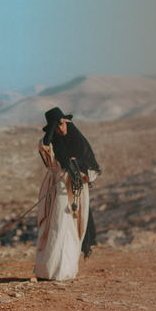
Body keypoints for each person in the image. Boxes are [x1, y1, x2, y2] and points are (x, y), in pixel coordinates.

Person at [35, 107, 101, 281]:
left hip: (74, 191)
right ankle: (47, 271)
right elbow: (44, 146)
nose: (61, 129)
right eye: (57, 127)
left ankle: (64, 271)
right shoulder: (52, 143)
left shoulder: (79, 142)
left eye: (63, 124)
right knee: (53, 226)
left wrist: (76, 164)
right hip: (55, 189)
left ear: (68, 123)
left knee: (69, 227)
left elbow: (92, 168)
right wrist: (51, 128)